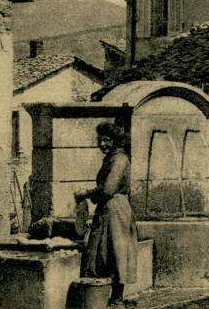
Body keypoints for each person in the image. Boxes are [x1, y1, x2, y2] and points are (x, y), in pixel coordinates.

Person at [74, 122, 139, 307]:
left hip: (114, 210)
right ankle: (110, 298)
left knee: (111, 252)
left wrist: (85, 193)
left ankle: (114, 299)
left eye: (107, 140)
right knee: (112, 251)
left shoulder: (118, 160)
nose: (102, 144)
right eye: (100, 140)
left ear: (116, 141)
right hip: (115, 208)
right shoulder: (113, 158)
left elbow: (108, 189)